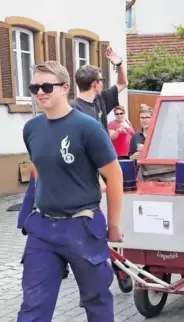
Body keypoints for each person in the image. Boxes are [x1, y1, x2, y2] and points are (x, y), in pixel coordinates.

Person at [17, 61, 123, 322]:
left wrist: (114, 224)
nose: (39, 92)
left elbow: (114, 174)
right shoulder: (32, 129)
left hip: (82, 227)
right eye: (34, 87)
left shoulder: (87, 127)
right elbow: (39, 170)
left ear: (65, 88)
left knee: (96, 300)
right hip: (43, 229)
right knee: (33, 305)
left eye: (46, 86)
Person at [71, 46, 131, 295]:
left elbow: (123, 83)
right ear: (95, 83)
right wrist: (95, 179)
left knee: (112, 223)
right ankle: (109, 269)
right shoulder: (74, 110)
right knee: (92, 227)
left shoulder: (100, 100)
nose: (103, 85)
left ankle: (119, 266)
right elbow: (77, 152)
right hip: (88, 177)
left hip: (106, 167)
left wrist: (118, 64)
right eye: (101, 81)